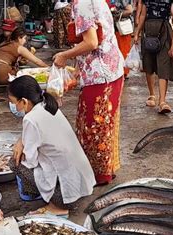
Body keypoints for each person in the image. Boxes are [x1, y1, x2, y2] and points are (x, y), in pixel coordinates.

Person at [53, 0, 125, 185]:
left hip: (100, 73)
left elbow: (92, 42)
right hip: (111, 68)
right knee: (106, 122)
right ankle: (106, 169)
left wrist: (64, 55)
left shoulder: (82, 3)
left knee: (94, 125)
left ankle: (98, 175)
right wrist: (78, 66)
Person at [8, 76, 95, 216]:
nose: (13, 107)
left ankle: (56, 206)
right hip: (82, 185)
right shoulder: (47, 105)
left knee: (15, 162)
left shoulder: (30, 119)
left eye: (13, 102)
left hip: (66, 197)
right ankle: (46, 194)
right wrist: (21, 141)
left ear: (24, 101)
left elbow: (30, 161)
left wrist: (21, 147)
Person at [134, 0, 173, 114]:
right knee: (148, 63)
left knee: (164, 63)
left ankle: (162, 101)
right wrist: (137, 32)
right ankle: (152, 95)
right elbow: (143, 14)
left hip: (164, 30)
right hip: (148, 30)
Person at [110, 0, 134, 78]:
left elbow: (129, 10)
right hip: (114, 27)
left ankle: (123, 72)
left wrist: (116, 14)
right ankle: (120, 72)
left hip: (122, 27)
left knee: (123, 50)